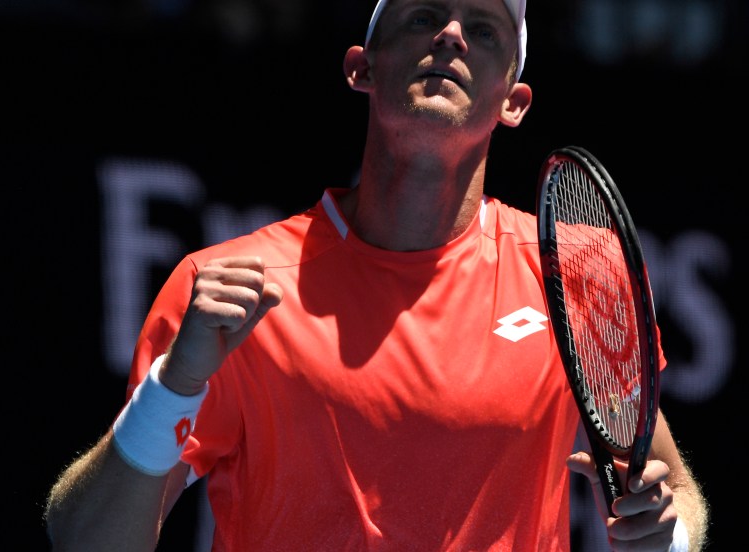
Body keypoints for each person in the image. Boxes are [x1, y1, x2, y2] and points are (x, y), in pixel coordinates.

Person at [43, 1, 710, 550]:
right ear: (362, 68)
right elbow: (86, 540)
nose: (451, 35)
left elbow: (672, 491)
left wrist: (668, 538)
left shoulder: (578, 272)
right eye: (423, 18)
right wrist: (174, 387)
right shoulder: (229, 286)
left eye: (484, 30)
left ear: (514, 101)